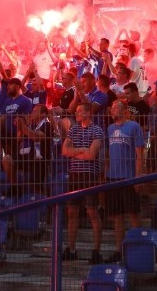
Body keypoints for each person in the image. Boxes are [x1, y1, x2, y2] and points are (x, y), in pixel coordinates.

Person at [62, 102, 105, 264]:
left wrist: (75, 152)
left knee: (92, 212)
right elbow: (64, 151)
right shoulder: (73, 129)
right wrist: (82, 151)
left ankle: (96, 250)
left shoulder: (97, 130)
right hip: (75, 175)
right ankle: (71, 249)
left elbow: (92, 155)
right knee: (71, 212)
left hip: (89, 175)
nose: (77, 113)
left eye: (80, 111)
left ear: (88, 113)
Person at [104, 101, 145, 262]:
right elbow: (107, 152)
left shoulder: (134, 126)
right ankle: (118, 249)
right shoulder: (110, 128)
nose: (112, 110)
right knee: (117, 216)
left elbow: (139, 154)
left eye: (115, 107)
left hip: (128, 177)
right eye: (112, 107)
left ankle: (140, 248)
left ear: (124, 110)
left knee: (133, 213)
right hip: (113, 177)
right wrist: (107, 171)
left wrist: (138, 176)